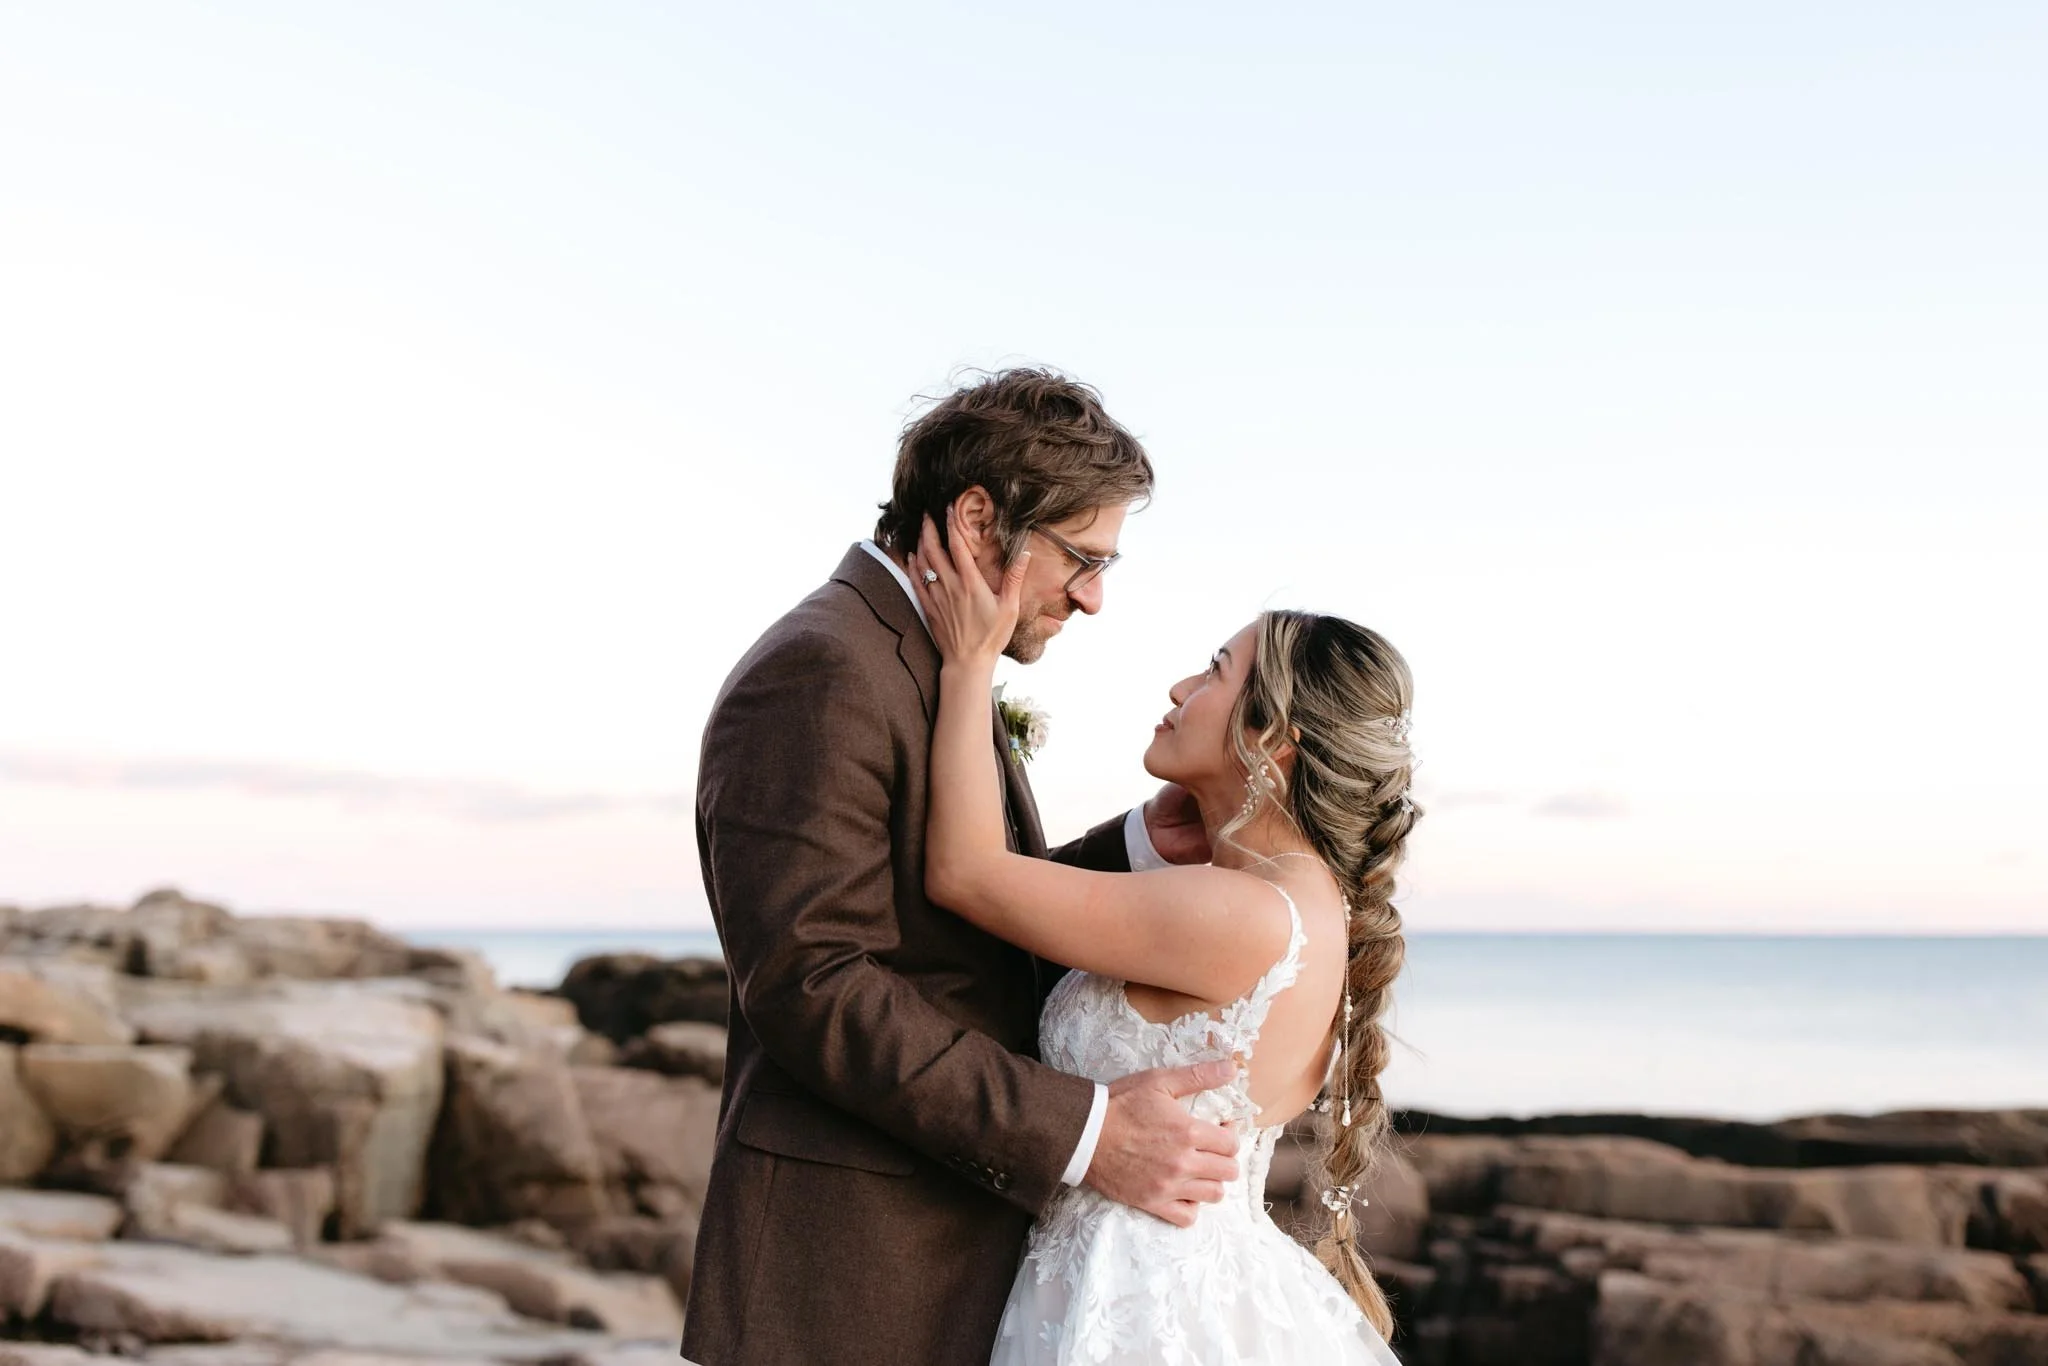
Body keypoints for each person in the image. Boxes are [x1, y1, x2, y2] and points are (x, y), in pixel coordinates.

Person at [683, 369, 1243, 1366]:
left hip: (934, 1254)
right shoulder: (823, 667)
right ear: (980, 518)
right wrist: (1085, 1134)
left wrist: (1139, 844)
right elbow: (812, 983)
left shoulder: (931, 652)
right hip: (849, 1278)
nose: (1092, 598)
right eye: (1081, 557)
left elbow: (959, 916)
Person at [908, 506, 1415, 1364]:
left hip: (1137, 1303)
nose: (1181, 689)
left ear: (1271, 739)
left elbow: (964, 873)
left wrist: (969, 661)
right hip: (1166, 1279)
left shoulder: (1238, 913)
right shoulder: (1295, 901)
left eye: (1215, 672)